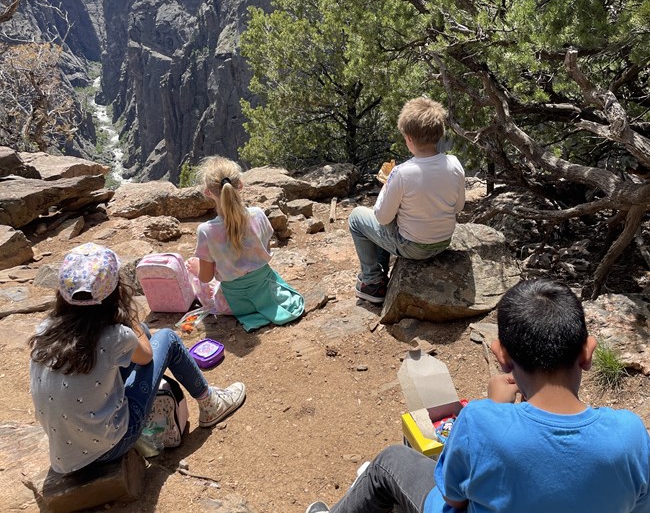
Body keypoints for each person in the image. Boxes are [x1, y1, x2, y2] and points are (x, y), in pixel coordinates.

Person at [305, 278, 650, 513]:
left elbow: (454, 497)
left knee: (388, 463)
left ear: (501, 357)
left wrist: (494, 409)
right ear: (587, 353)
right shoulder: (630, 435)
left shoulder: (482, 421)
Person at [29, 242, 246, 474]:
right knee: (168, 338)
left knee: (142, 331)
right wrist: (125, 316)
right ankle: (210, 403)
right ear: (114, 291)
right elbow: (146, 357)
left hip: (65, 455)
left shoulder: (45, 329)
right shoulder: (115, 336)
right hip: (109, 448)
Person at [349, 97, 465, 305]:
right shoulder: (454, 163)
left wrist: (387, 186)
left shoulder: (401, 173)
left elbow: (382, 217)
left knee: (357, 218)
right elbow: (459, 207)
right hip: (443, 240)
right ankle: (380, 274)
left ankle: (372, 282)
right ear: (440, 134)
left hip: (414, 247)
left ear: (409, 138)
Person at [187, 155, 304, 331]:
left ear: (207, 192)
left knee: (193, 273)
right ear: (240, 185)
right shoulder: (258, 214)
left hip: (232, 304)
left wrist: (197, 269)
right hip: (269, 294)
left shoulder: (206, 230)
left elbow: (206, 277)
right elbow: (266, 250)